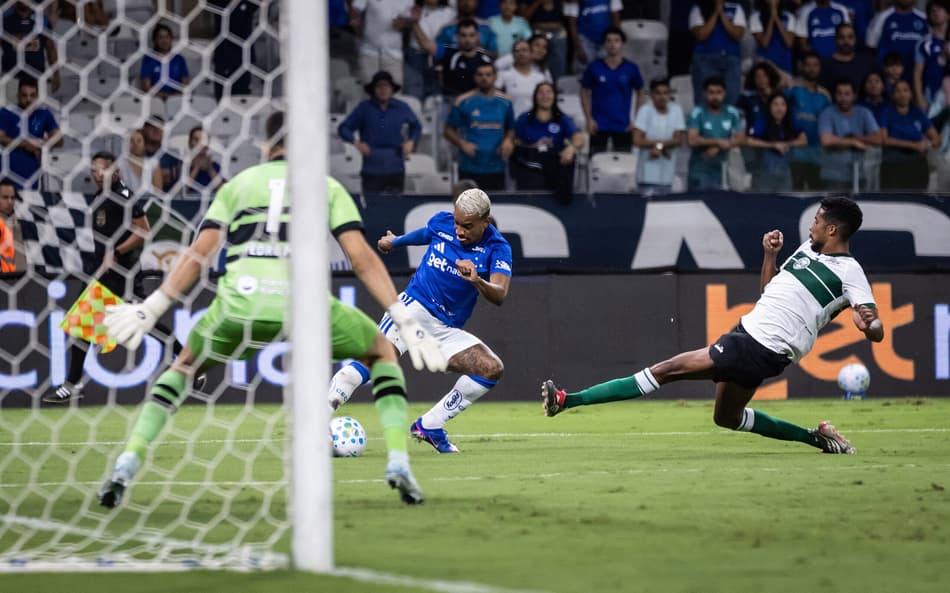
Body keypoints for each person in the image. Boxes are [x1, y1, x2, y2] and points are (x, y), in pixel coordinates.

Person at [98, 112, 446, 508]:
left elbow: (199, 253)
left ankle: (129, 459)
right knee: (382, 351)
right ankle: (399, 462)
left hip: (240, 304)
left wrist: (153, 305)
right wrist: (402, 317)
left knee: (184, 366)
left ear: (266, 147)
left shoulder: (240, 184)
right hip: (306, 306)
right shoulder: (326, 186)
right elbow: (361, 257)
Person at [542, 196, 884, 457]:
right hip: (748, 335)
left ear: (833, 229)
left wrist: (868, 324)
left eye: (817, 220)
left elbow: (873, 324)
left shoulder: (850, 272)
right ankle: (818, 438)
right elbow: (768, 290)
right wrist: (769, 256)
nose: (812, 225)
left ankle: (566, 400)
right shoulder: (808, 248)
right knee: (727, 418)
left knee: (663, 371)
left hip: (760, 346)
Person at [328, 186, 512, 454]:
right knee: (373, 362)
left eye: (468, 226)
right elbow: (426, 234)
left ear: (485, 220)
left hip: (444, 329)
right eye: (458, 223)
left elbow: (499, 294)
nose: (459, 230)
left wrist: (477, 280)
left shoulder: (498, 249)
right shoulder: (442, 222)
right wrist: (396, 242)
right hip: (412, 309)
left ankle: (431, 425)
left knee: (491, 368)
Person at [43, 151, 150, 403]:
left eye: (101, 169)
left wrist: (117, 251)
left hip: (124, 273)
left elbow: (144, 230)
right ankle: (72, 383)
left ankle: (183, 358)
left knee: (146, 322)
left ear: (115, 172)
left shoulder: (122, 195)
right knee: (81, 322)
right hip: (104, 272)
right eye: (93, 170)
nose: (96, 174)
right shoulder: (97, 197)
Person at [338, 70, 421, 194]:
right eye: (379, 86)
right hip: (372, 166)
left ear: (392, 89)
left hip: (395, 164)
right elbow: (343, 128)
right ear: (373, 89)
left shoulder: (401, 107)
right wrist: (356, 143)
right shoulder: (364, 108)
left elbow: (416, 126)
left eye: (386, 86)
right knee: (372, 205)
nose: (383, 90)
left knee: (396, 205)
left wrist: (411, 141)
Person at [444, 62, 515, 190]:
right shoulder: (463, 101)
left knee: (496, 208)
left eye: (488, 74)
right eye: (480, 74)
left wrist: (508, 140)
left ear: (495, 77)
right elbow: (448, 130)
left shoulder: (505, 102)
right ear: (475, 77)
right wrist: (462, 144)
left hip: (496, 165)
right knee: (469, 208)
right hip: (469, 165)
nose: (484, 78)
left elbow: (511, 128)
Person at [511, 81, 584, 201]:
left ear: (554, 96)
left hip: (553, 163)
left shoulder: (561, 118)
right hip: (530, 162)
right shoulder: (525, 118)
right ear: (535, 97)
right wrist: (532, 145)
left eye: (549, 92)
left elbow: (578, 137)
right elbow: (515, 140)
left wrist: (571, 148)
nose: (545, 96)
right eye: (541, 93)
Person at [580, 26, 644, 155]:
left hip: (623, 125)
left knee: (624, 167)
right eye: (608, 41)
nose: (612, 44)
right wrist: (588, 119)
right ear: (604, 44)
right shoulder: (594, 67)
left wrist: (637, 120)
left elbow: (641, 92)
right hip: (598, 125)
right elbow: (584, 91)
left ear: (622, 44)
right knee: (596, 166)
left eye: (616, 40)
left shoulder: (631, 68)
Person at [818, 79, 882, 190]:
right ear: (835, 95)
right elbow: (826, 140)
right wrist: (852, 142)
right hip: (833, 176)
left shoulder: (864, 112)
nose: (843, 98)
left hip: (860, 174)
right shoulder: (827, 113)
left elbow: (878, 138)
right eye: (840, 94)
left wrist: (852, 139)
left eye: (847, 94)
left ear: (854, 96)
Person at [0, 77, 63, 189]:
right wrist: (24, 143)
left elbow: (59, 139)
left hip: (32, 173)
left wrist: (39, 143)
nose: (28, 99)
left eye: (32, 95)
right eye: (24, 95)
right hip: (8, 171)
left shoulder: (44, 113)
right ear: (17, 95)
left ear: (38, 96)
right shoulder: (6, 112)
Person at [880, 78, 940, 190]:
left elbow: (936, 139)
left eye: (905, 90)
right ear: (893, 95)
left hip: (917, 165)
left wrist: (927, 145)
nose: (902, 94)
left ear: (911, 93)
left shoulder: (918, 113)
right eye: (898, 91)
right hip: (893, 165)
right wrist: (914, 145)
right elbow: (884, 139)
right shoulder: (886, 112)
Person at [686, 76, 744, 191]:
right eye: (711, 92)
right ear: (705, 94)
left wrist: (718, 146)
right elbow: (691, 140)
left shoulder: (732, 112)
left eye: (719, 92)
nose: (715, 97)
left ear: (724, 93)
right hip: (700, 171)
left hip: (724, 172)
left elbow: (741, 139)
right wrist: (718, 141)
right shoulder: (697, 112)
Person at [632, 78, 686, 195]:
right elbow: (637, 140)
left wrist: (659, 146)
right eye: (658, 93)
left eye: (666, 93)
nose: (662, 97)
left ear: (670, 94)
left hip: (667, 176)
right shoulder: (645, 110)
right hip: (646, 176)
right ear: (651, 95)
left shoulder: (676, 110)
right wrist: (662, 145)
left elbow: (678, 140)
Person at [689, 0, 747, 107]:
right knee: (704, 98)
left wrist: (722, 13)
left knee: (732, 98)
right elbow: (701, 35)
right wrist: (716, 12)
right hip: (705, 59)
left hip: (731, 59)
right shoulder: (697, 9)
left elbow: (737, 34)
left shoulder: (735, 8)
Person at [744, 92, 806, 191]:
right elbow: (749, 141)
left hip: (785, 171)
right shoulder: (762, 120)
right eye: (775, 104)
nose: (779, 108)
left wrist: (786, 144)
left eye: (783, 104)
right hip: (764, 171)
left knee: (785, 202)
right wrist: (773, 145)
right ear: (769, 106)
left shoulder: (790, 120)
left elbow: (803, 140)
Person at [787, 51, 831, 190]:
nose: (812, 68)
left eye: (815, 65)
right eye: (808, 65)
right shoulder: (793, 90)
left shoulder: (824, 95)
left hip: (817, 155)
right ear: (802, 67)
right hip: (795, 154)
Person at [1, 2, 60, 93]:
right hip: (11, 79)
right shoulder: (4, 20)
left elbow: (51, 49)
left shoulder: (43, 21)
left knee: (36, 106)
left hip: (36, 78)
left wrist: (56, 75)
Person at [352, 0, 414, 85]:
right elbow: (356, 9)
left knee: (394, 90)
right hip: (369, 52)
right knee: (367, 90)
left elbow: (410, 20)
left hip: (394, 54)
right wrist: (357, 26)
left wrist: (403, 23)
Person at [405, 0, 455, 101]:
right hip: (415, 56)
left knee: (435, 98)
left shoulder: (451, 13)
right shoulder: (413, 9)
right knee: (413, 95)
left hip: (439, 58)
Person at [208, 0, 258, 99]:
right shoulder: (220, 3)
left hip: (243, 58)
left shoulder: (248, 3)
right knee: (222, 97)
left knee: (242, 98)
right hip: (224, 57)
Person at [866, 0, 928, 78]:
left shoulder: (924, 18)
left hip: (918, 74)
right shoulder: (881, 17)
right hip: (888, 75)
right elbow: (871, 46)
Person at [819, 23, 877, 95]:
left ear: (855, 39)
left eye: (850, 37)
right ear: (836, 39)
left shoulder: (867, 62)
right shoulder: (825, 64)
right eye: (841, 37)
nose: (846, 41)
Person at [496, 39, 551, 116]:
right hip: (512, 121)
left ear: (531, 53)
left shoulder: (540, 77)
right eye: (517, 50)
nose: (521, 53)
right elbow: (492, 95)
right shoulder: (503, 75)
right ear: (513, 54)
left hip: (534, 121)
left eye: (524, 50)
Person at [517, 0, 568, 81]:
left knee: (559, 60)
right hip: (537, 32)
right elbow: (523, 18)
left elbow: (566, 16)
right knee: (539, 53)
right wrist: (537, 2)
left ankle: (558, 84)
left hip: (558, 32)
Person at [565, 0, 622, 71]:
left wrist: (616, 40)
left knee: (607, 71)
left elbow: (615, 16)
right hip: (585, 40)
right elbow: (572, 24)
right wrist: (578, 48)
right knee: (585, 71)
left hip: (606, 40)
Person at [914, 0, 949, 112]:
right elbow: (917, 74)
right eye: (932, 10)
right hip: (931, 98)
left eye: (939, 9)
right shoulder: (924, 44)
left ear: (948, 14)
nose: (935, 12)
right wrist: (920, 99)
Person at [139, 23, 191, 99]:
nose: (164, 40)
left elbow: (185, 85)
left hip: (177, 100)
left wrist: (173, 97)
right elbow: (147, 88)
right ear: (155, 40)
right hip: (155, 101)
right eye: (160, 37)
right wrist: (164, 96)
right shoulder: (148, 59)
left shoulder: (179, 59)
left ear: (171, 39)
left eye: (167, 37)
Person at [749, 0, 797, 77]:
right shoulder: (756, 17)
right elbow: (764, 43)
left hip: (784, 63)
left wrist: (777, 18)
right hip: (765, 63)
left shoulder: (789, 16)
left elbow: (789, 43)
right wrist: (772, 17)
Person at [736, 61, 782, 131]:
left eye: (765, 76)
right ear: (753, 79)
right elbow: (739, 120)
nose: (761, 79)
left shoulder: (778, 97)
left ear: (770, 77)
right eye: (758, 76)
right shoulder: (745, 98)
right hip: (751, 137)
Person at [117, 129, 163, 195]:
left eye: (139, 141)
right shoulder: (120, 165)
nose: (135, 144)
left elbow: (158, 193)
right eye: (131, 141)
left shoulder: (153, 164)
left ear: (144, 144)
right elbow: (119, 190)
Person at [185, 126, 223, 194]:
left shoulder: (216, 166)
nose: (200, 143)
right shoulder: (184, 166)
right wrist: (196, 168)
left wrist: (210, 169)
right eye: (196, 140)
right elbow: (182, 190)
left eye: (203, 140)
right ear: (190, 143)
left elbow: (222, 191)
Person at [0, 178, 25, 273]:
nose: (10, 201)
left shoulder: (22, 222)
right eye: (5, 197)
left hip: (21, 276)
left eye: (12, 198)